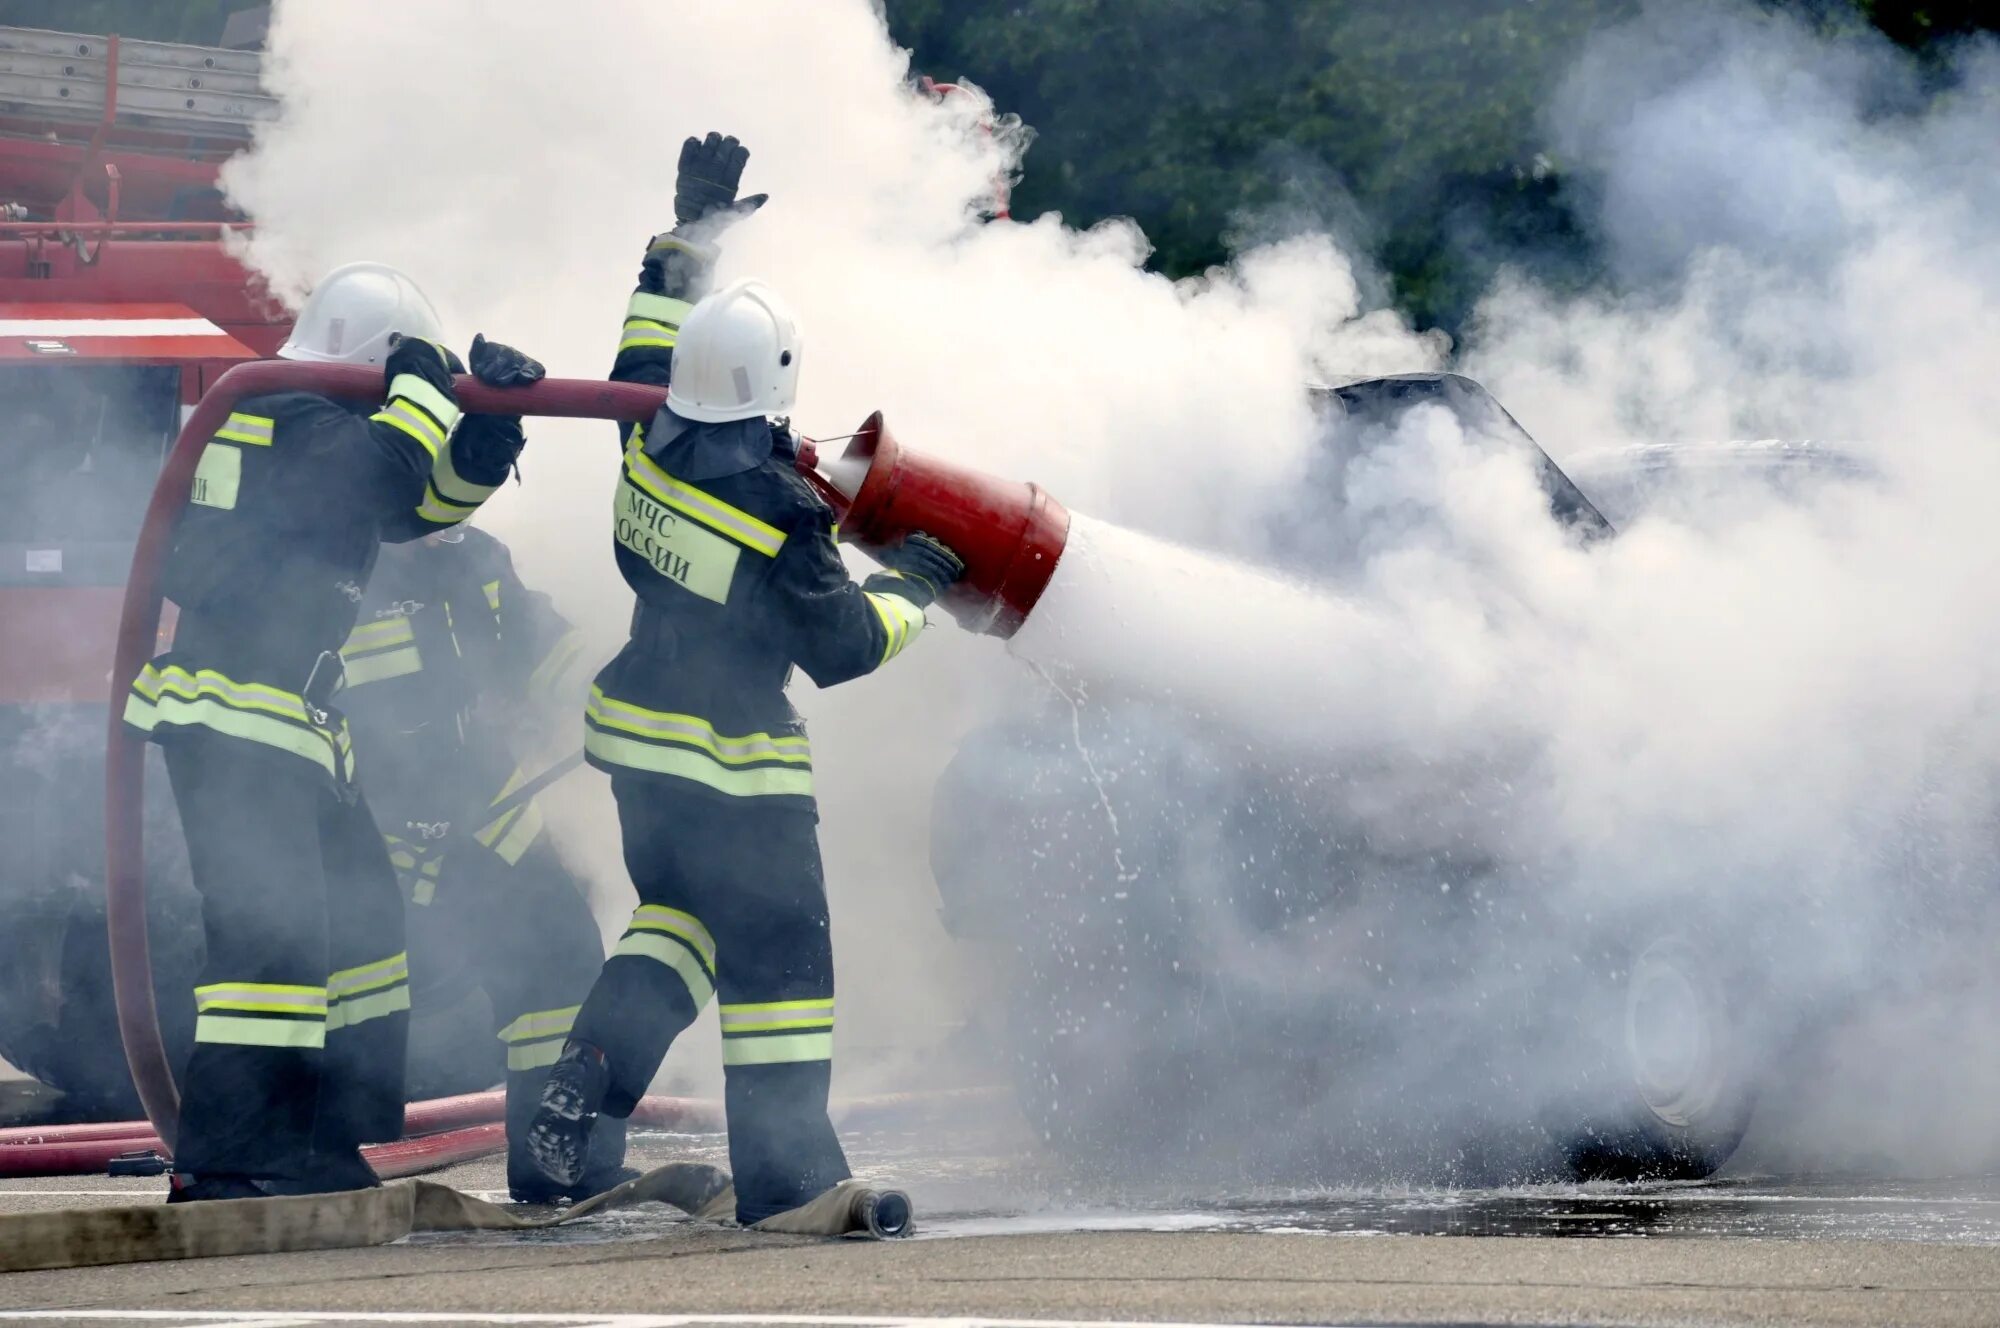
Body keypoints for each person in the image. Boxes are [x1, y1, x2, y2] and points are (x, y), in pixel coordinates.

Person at [522, 133, 965, 1223]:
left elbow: (643, 346)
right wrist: (916, 586)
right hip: (736, 770)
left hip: (640, 752)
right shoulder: (778, 508)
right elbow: (846, 647)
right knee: (780, 964)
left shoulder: (644, 439)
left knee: (677, 919)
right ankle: (788, 1173)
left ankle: (579, 1092)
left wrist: (689, 229)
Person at [123, 261, 544, 1200]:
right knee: (270, 948)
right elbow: (382, 467)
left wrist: (487, 427)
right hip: (237, 714)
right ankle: (232, 1162)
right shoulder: (289, 420)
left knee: (363, 937)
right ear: (380, 359)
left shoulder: (307, 426)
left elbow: (412, 507)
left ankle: (328, 1140)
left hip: (291, 720)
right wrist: (429, 391)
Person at [336, 524, 628, 1201]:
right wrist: (390, 810)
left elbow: (542, 647)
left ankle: (558, 1164)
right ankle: (309, 1154)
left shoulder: (474, 557)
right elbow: (337, 704)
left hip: (491, 811)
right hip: (378, 823)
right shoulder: (345, 561)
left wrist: (631, 678)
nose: (445, 530)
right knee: (343, 982)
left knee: (560, 964)